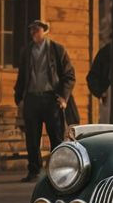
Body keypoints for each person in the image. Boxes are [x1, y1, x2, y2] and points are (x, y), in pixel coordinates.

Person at [14, 19, 76, 183]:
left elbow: (69, 75)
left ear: (44, 31)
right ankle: (34, 170)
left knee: (55, 137)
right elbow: (21, 77)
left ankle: (57, 170)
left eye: (36, 30)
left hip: (51, 98)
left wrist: (63, 97)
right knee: (32, 138)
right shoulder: (27, 51)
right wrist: (19, 98)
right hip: (32, 98)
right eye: (32, 30)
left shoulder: (57, 49)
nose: (33, 33)